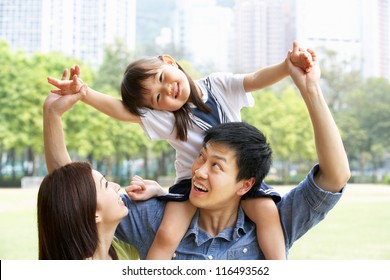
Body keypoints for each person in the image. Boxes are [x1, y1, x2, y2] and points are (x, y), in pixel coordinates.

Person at [45, 48, 350, 260]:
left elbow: (255, 79)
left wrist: (289, 69)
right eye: (157, 97)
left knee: (268, 214)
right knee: (167, 234)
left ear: (170, 62)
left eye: (164, 79)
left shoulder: (218, 86)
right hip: (184, 189)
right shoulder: (167, 118)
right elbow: (71, 192)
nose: (167, 93)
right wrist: (84, 94)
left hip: (239, 183)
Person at [38, 83, 143, 260]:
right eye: (106, 184)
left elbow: (67, 188)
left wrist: (52, 113)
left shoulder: (123, 250)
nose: (117, 186)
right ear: (94, 214)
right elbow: (68, 191)